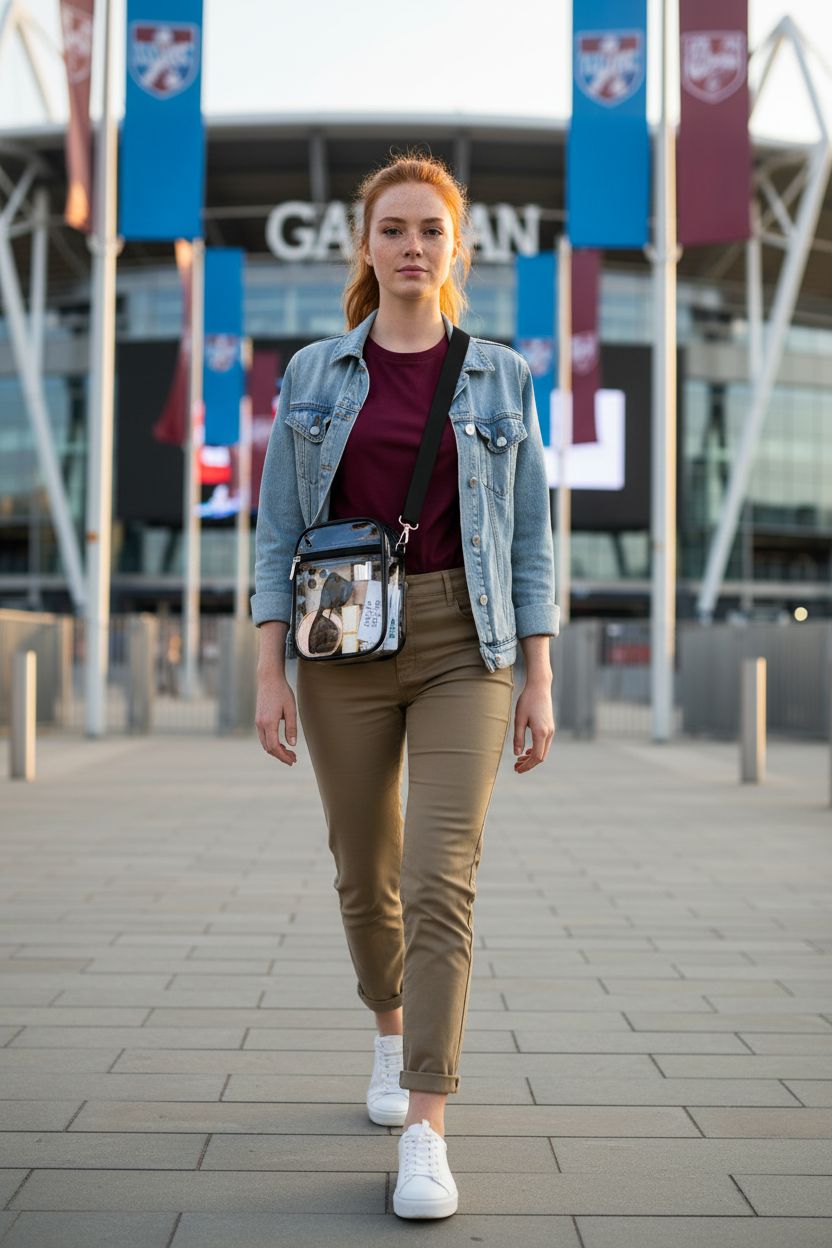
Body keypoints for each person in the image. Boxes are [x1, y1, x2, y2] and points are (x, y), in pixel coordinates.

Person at [252, 151, 559, 1220]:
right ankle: (389, 1032)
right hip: (340, 643)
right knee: (364, 870)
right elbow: (276, 533)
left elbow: (529, 541)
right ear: (366, 245)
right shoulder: (314, 374)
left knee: (439, 878)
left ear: (456, 248)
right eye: (394, 228)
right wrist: (269, 670)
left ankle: (426, 1124)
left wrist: (537, 676)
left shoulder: (501, 376)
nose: (412, 246)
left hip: (466, 641)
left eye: (431, 229)